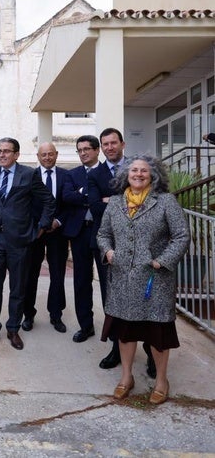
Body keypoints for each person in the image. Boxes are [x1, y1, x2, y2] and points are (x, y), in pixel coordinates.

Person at [96, 155, 189, 404]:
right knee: (126, 333)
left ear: (153, 175)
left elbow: (181, 236)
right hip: (122, 278)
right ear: (126, 174)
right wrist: (108, 251)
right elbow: (103, 233)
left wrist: (163, 260)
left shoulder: (166, 201)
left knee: (157, 333)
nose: (138, 174)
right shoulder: (115, 202)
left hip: (154, 280)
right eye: (134, 170)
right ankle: (126, 377)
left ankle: (161, 380)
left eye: (144, 171)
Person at [87, 128, 156, 377]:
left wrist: (112, 200)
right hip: (109, 246)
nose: (109, 147)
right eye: (105, 144)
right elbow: (95, 207)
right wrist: (126, 201)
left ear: (122, 144)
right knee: (113, 299)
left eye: (113, 142)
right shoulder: (95, 175)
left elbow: (151, 202)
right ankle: (117, 349)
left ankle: (151, 353)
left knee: (146, 299)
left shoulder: (138, 168)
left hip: (143, 246)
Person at [0, 137, 54, 351]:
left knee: (18, 287)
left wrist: (42, 226)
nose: (2, 155)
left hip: (20, 240)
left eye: (7, 151)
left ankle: (13, 329)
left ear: (17, 154)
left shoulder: (29, 174)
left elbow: (48, 200)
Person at [22, 142, 69, 333]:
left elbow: (69, 205)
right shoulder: (29, 176)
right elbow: (25, 205)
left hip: (58, 233)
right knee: (30, 275)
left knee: (57, 275)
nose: (47, 158)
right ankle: (28, 315)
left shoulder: (67, 176)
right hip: (35, 233)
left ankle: (56, 315)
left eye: (51, 154)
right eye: (44, 155)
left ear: (56, 155)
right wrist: (38, 226)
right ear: (38, 157)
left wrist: (58, 221)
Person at [62, 135, 104, 342]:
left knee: (107, 282)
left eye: (87, 149)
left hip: (102, 232)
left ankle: (112, 329)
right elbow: (67, 196)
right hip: (79, 232)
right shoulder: (73, 174)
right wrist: (92, 196)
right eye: (79, 150)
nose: (83, 153)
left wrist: (82, 194)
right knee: (81, 281)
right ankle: (86, 326)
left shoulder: (107, 172)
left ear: (97, 150)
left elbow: (112, 198)